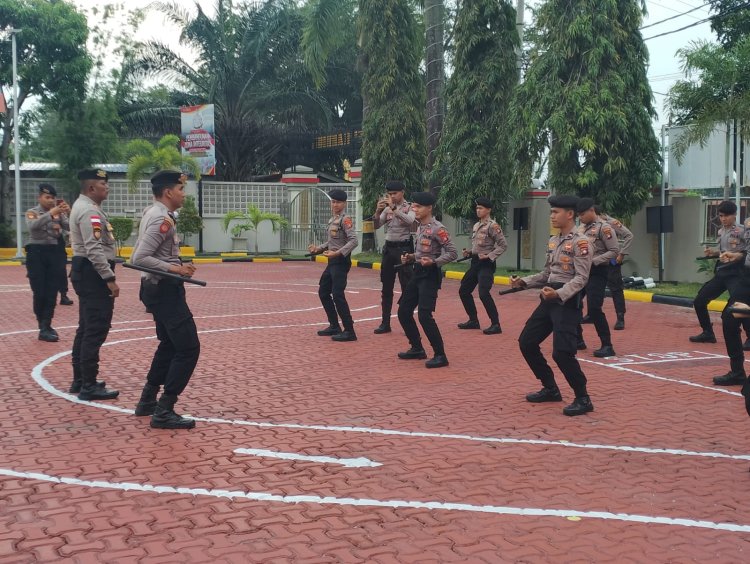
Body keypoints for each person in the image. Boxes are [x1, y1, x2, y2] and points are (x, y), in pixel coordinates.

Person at [513, 195, 594, 416]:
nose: (552, 216)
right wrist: (524, 282)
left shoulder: (581, 242)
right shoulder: (553, 240)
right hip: (548, 298)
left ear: (570, 214)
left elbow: (581, 278)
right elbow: (548, 274)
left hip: (566, 302)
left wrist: (558, 294)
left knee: (562, 352)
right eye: (551, 212)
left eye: (555, 212)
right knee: (527, 342)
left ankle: (583, 398)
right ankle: (550, 388)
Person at [131, 170, 201, 429]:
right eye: (181, 189)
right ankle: (165, 408)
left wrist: (179, 264)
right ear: (169, 192)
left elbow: (157, 254)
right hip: (164, 291)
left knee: (169, 344)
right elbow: (139, 258)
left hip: (158, 289)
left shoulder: (158, 214)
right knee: (189, 347)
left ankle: (148, 400)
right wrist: (176, 269)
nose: (184, 194)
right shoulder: (161, 218)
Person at [68, 168, 119, 400]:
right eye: (103, 184)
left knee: (86, 328)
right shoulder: (89, 211)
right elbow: (94, 248)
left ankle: (81, 380)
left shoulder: (85, 207)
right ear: (91, 188)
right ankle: (88, 385)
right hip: (93, 275)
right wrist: (109, 278)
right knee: (95, 329)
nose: (107, 187)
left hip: (85, 272)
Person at [397, 192, 458, 368]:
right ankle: (416, 347)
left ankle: (440, 355)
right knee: (404, 311)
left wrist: (435, 262)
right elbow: (422, 253)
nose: (414, 209)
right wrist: (411, 257)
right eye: (413, 206)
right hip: (417, 273)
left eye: (418, 207)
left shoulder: (439, 228)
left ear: (429, 208)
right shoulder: (420, 227)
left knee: (424, 315)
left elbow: (452, 253)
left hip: (430, 276)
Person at [689, 200, 750, 345]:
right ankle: (708, 333)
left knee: (741, 305)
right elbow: (723, 251)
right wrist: (713, 252)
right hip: (722, 273)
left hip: (737, 273)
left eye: (726, 216)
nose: (723, 219)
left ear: (734, 215)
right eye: (721, 216)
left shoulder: (742, 231)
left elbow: (746, 251)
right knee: (699, 301)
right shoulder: (721, 231)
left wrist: (737, 255)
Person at [308, 188, 359, 342]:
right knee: (323, 292)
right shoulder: (333, 219)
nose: (335, 205)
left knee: (337, 294)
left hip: (341, 262)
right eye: (333, 202)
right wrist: (319, 248)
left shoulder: (345, 220)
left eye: (338, 202)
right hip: (332, 262)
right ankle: (334, 325)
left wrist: (337, 253)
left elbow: (354, 241)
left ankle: (349, 330)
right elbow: (331, 242)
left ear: (344, 204)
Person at [25, 183, 70, 342]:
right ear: (40, 198)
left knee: (52, 291)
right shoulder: (32, 212)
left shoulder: (58, 214)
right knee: (40, 292)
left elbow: (70, 227)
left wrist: (68, 213)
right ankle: (41, 324)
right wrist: (51, 214)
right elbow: (33, 227)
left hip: (54, 253)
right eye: (47, 197)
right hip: (36, 254)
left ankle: (47, 324)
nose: (51, 200)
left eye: (53, 197)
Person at [576, 198, 619, 357]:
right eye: (578, 215)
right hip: (581, 273)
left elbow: (614, 251)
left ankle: (607, 345)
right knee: (573, 303)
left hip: (597, 272)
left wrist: (594, 261)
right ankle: (578, 339)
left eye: (582, 214)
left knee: (594, 308)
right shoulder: (581, 228)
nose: (580, 217)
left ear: (592, 210)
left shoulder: (605, 228)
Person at [457, 197, 507, 334]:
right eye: (477, 208)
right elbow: (478, 246)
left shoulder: (493, 226)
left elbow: (503, 245)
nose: (478, 210)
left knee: (484, 293)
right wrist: (469, 252)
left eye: (481, 208)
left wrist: (490, 256)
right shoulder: (476, 225)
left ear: (488, 210)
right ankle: (473, 320)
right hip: (475, 263)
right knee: (464, 291)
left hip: (486, 264)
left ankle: (496, 324)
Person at [371, 180, 416, 334]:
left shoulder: (409, 207)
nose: (392, 196)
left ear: (402, 192)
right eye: (389, 194)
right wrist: (377, 211)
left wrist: (394, 208)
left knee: (406, 286)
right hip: (389, 250)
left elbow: (410, 221)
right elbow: (377, 225)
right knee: (386, 287)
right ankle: (385, 322)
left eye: (394, 193)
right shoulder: (387, 209)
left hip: (403, 249)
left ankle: (407, 322)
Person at [582, 205, 632, 330]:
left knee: (615, 288)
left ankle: (620, 318)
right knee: (591, 288)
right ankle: (591, 315)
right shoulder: (588, 226)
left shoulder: (610, 223)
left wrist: (622, 253)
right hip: (595, 264)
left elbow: (629, 235)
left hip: (611, 261)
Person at [58, 228, 74, 306]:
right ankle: (48, 298)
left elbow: (66, 227)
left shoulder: (59, 218)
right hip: (46, 249)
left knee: (62, 273)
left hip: (59, 250)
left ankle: (63, 296)